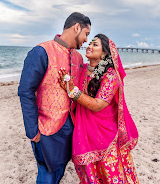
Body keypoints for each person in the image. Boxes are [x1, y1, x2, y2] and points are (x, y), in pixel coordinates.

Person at [18, 12, 91, 183]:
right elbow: (25, 91)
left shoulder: (78, 57)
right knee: (47, 174)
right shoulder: (42, 51)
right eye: (86, 34)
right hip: (46, 128)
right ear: (77, 27)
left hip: (70, 126)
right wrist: (32, 131)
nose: (86, 40)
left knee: (60, 171)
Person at [58, 34, 139, 183]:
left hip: (105, 133)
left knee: (110, 174)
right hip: (83, 130)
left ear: (104, 53)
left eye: (95, 45)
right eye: (89, 43)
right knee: (89, 175)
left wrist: (72, 91)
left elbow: (98, 105)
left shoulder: (111, 75)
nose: (89, 46)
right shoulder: (81, 69)